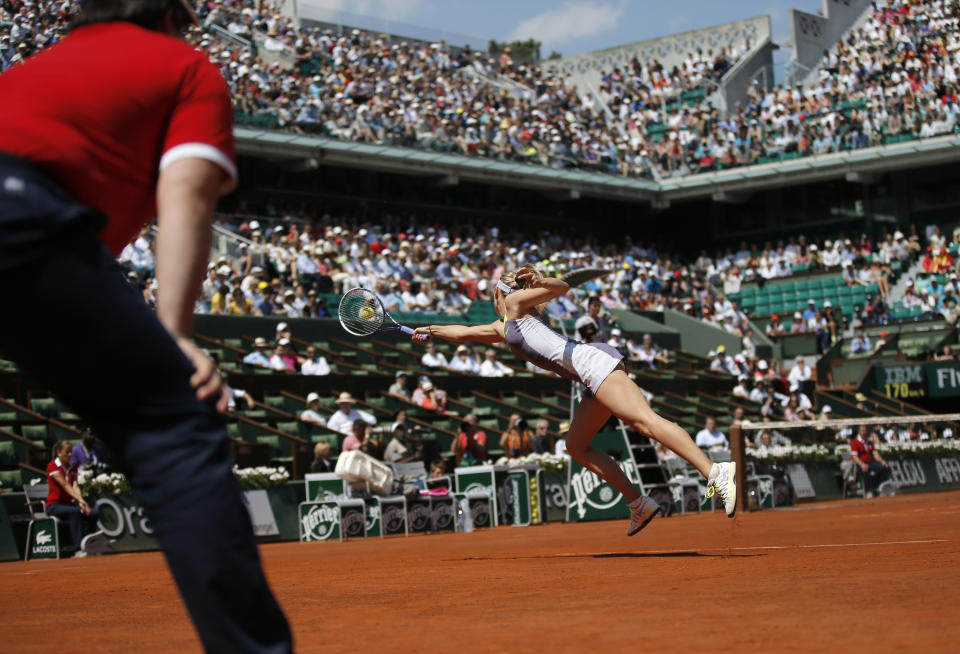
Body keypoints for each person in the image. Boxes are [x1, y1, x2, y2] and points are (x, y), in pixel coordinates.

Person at [0, 1, 292, 650]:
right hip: (19, 208)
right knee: (175, 421)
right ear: (168, 14)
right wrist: (175, 334)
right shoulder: (184, 65)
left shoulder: (28, 69)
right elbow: (186, 191)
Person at [412, 264, 737, 537]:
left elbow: (562, 288)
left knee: (644, 422)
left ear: (499, 292)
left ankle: (714, 471)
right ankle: (638, 504)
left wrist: (541, 282)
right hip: (589, 376)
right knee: (576, 446)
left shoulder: (515, 304)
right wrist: (431, 329)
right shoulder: (505, 325)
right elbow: (464, 332)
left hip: (595, 365)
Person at [46, 441, 100, 557]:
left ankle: (88, 544)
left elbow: (75, 485)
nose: (70, 454)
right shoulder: (52, 466)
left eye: (71, 452)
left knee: (92, 512)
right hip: (53, 506)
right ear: (59, 452)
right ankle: (78, 549)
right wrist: (80, 500)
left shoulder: (73, 467)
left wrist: (81, 502)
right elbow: (65, 485)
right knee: (75, 512)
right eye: (67, 452)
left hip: (69, 505)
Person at [850, 425, 891, 498]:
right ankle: (868, 491)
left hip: (870, 462)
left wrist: (882, 461)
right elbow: (855, 457)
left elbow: (875, 454)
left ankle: (883, 488)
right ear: (859, 432)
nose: (864, 433)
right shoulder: (855, 442)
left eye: (865, 431)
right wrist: (862, 464)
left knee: (883, 467)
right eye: (862, 431)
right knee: (865, 471)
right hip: (860, 464)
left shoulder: (869, 442)